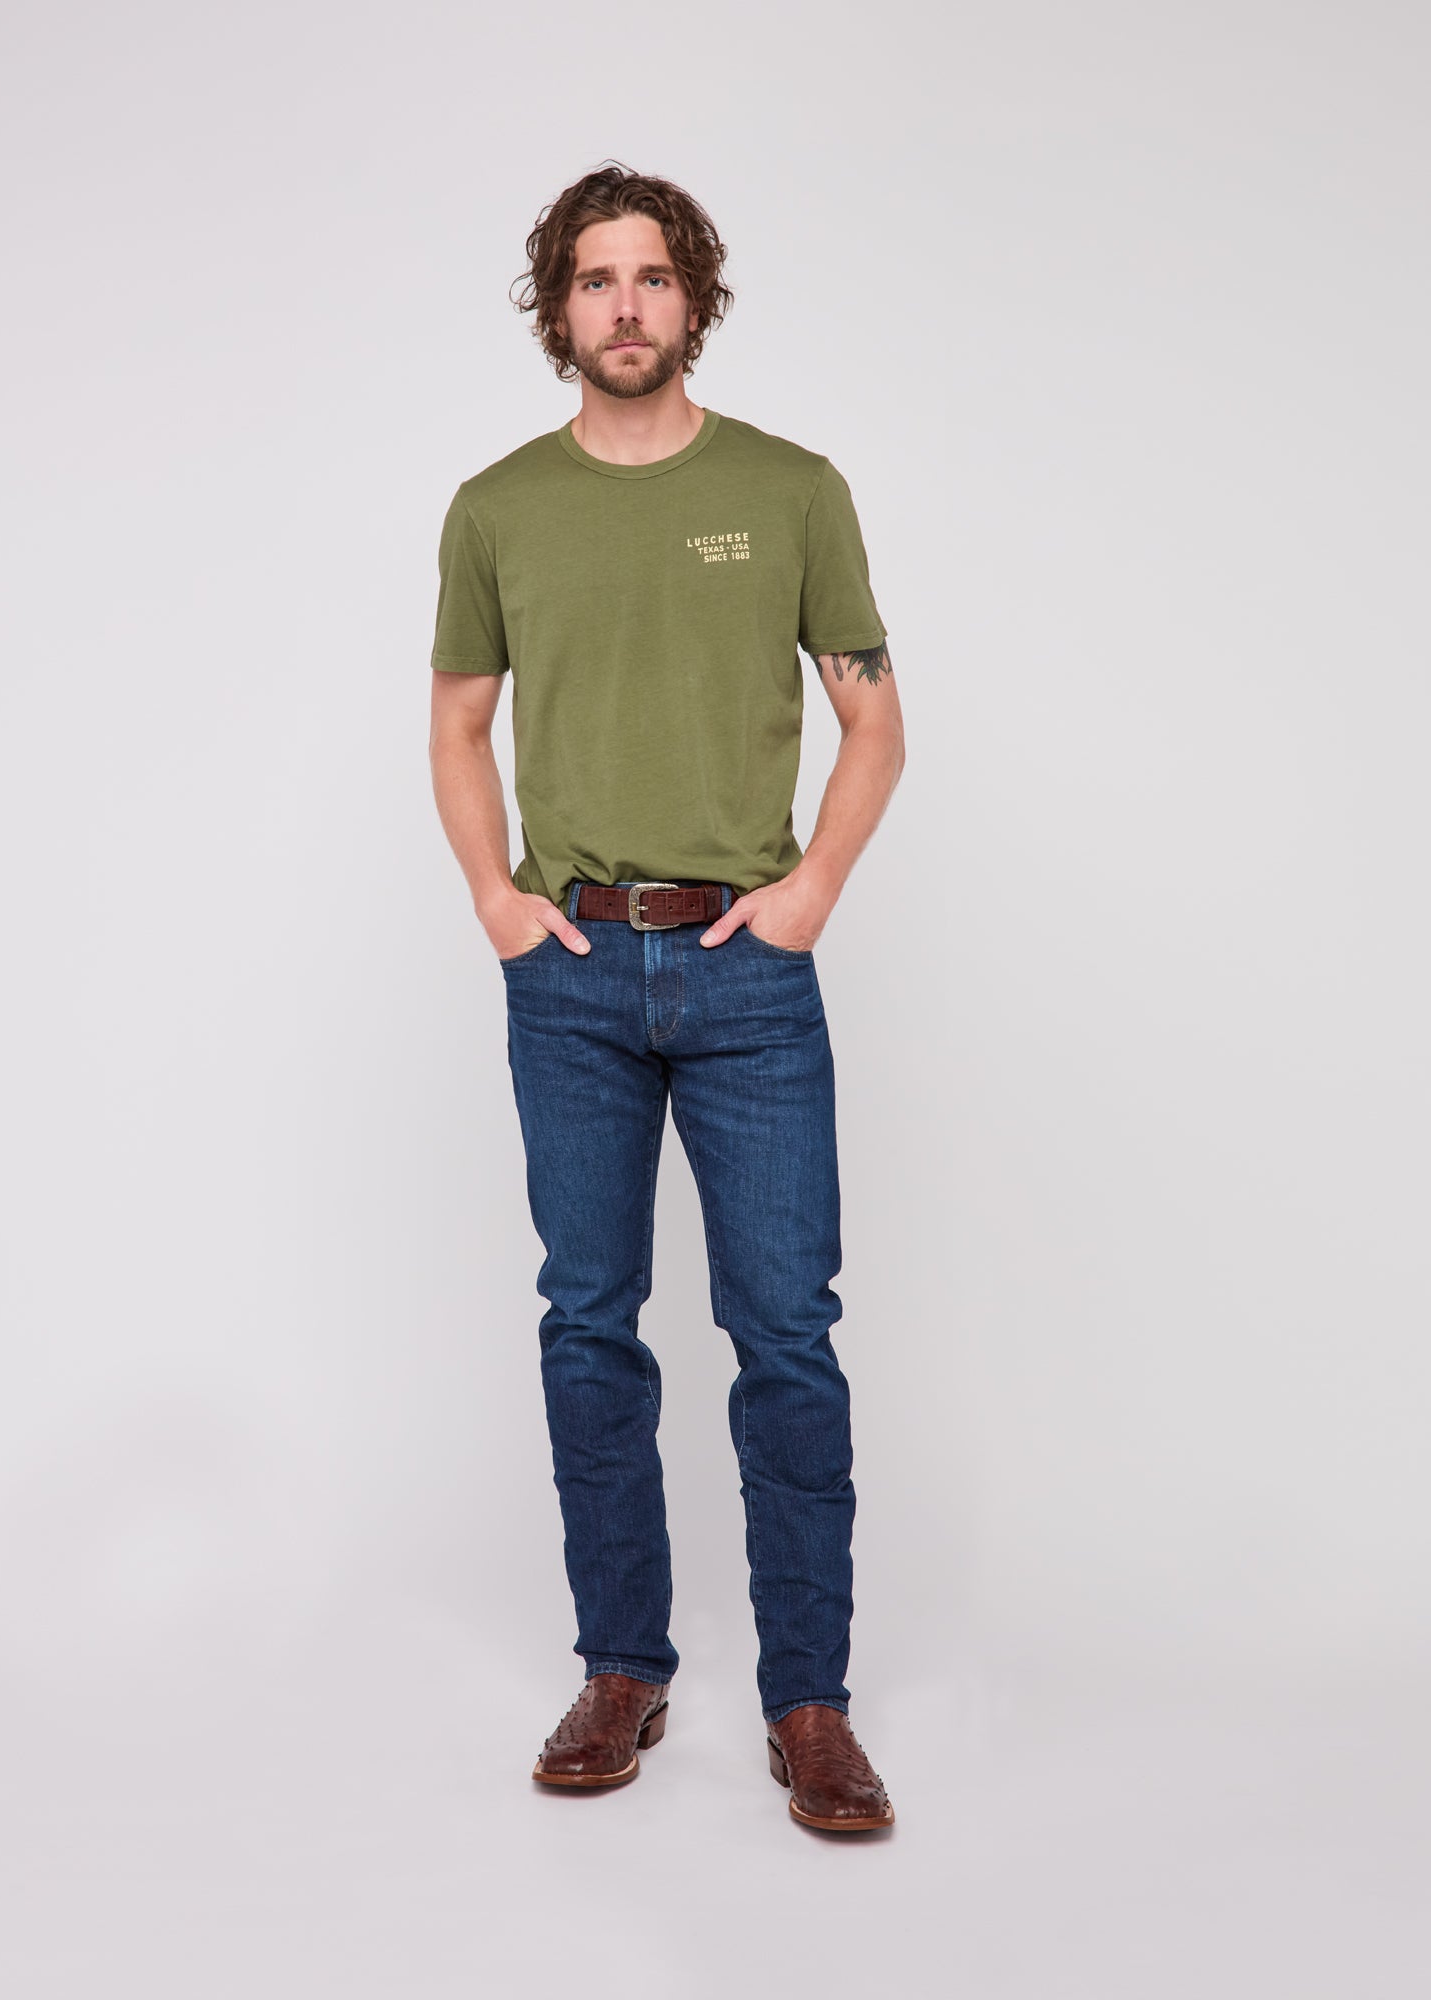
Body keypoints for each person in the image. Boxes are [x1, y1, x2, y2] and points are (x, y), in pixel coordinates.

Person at [427, 162, 904, 1834]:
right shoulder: (498, 507)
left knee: (786, 1336)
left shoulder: (790, 490)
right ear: (557, 306)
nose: (623, 305)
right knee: (587, 1323)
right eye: (593, 278)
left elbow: (874, 719)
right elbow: (458, 721)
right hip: (570, 973)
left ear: (693, 297)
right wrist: (495, 901)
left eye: (650, 276)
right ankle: (622, 1668)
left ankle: (809, 1703)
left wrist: (812, 889)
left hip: (745, 973)